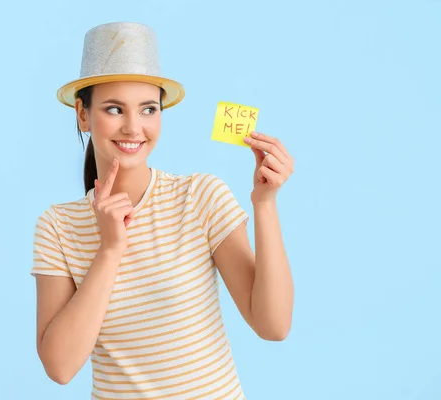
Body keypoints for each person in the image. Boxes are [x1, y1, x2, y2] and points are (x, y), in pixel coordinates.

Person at [31, 22, 295, 399]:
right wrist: (109, 250)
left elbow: (273, 325)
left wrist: (264, 203)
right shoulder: (58, 227)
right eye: (113, 109)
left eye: (148, 109)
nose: (133, 127)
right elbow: (59, 366)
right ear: (83, 115)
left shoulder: (201, 197)